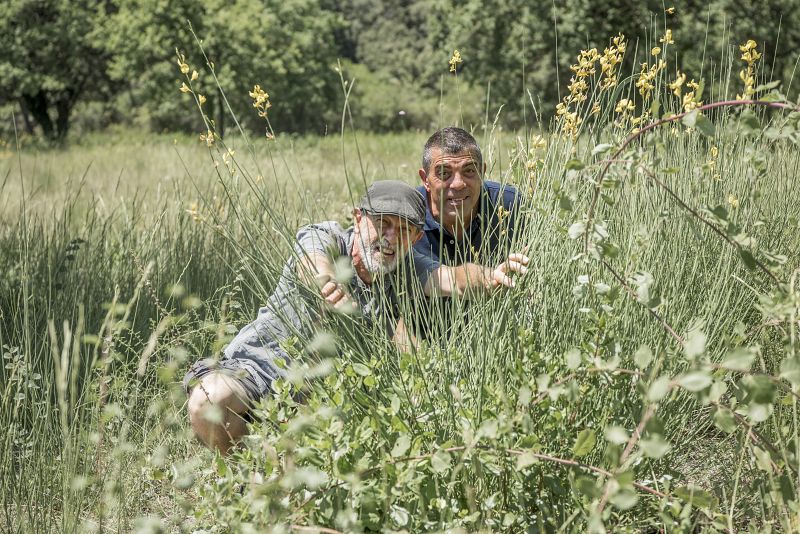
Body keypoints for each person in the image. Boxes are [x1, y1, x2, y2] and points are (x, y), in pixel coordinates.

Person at [185, 180, 528, 454]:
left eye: (404, 229)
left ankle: (276, 472)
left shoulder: (406, 267)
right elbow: (311, 257)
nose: (390, 238)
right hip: (254, 371)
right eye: (382, 224)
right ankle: (243, 475)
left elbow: (451, 277)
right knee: (210, 398)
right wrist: (325, 280)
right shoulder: (329, 237)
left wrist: (491, 275)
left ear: (417, 237)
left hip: (318, 399)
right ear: (359, 218)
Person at [415, 126, 522, 265]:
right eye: (443, 173)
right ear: (425, 179)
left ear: (482, 172)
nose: (458, 184)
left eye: (469, 170)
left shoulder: (510, 205)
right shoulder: (404, 213)